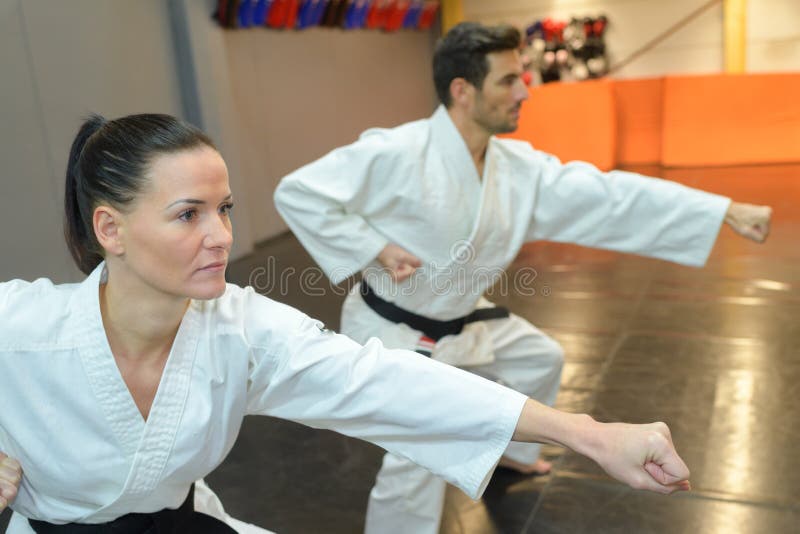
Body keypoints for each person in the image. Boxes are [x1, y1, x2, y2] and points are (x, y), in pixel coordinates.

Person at [0, 113, 691, 533]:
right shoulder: (21, 325)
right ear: (110, 229)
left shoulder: (240, 330)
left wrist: (591, 435)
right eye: (189, 214)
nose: (221, 235)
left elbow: (387, 383)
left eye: (225, 208)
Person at [273, 22, 772, 534]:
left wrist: (720, 209)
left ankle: (509, 452)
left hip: (462, 316)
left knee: (541, 357)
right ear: (463, 91)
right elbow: (299, 192)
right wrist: (373, 246)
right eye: (508, 80)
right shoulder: (397, 152)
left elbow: (608, 197)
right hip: (398, 330)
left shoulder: (517, 168)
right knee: (419, 460)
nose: (524, 92)